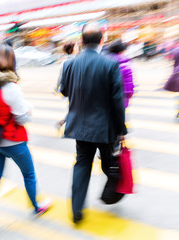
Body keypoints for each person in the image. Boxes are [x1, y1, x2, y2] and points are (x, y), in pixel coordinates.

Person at [0, 44, 51, 231]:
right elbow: (22, 117)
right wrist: (28, 109)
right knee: (29, 175)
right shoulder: (10, 87)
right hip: (13, 141)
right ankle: (36, 207)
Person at [60, 23, 127, 224]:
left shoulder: (70, 63)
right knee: (109, 162)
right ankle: (112, 194)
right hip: (104, 127)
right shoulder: (109, 64)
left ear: (81, 41)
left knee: (82, 165)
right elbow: (117, 100)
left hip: (79, 125)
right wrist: (121, 129)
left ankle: (76, 210)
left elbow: (64, 90)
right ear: (102, 40)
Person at [54, 41, 79, 130]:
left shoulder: (65, 62)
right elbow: (61, 76)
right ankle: (62, 123)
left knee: (74, 109)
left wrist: (56, 88)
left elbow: (60, 77)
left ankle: (63, 123)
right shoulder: (76, 60)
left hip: (69, 90)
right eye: (76, 46)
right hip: (76, 90)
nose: (78, 48)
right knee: (74, 110)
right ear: (71, 49)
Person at [108, 40, 134, 108]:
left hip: (105, 100)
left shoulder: (104, 61)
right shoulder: (125, 64)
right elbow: (129, 87)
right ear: (122, 51)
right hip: (121, 100)